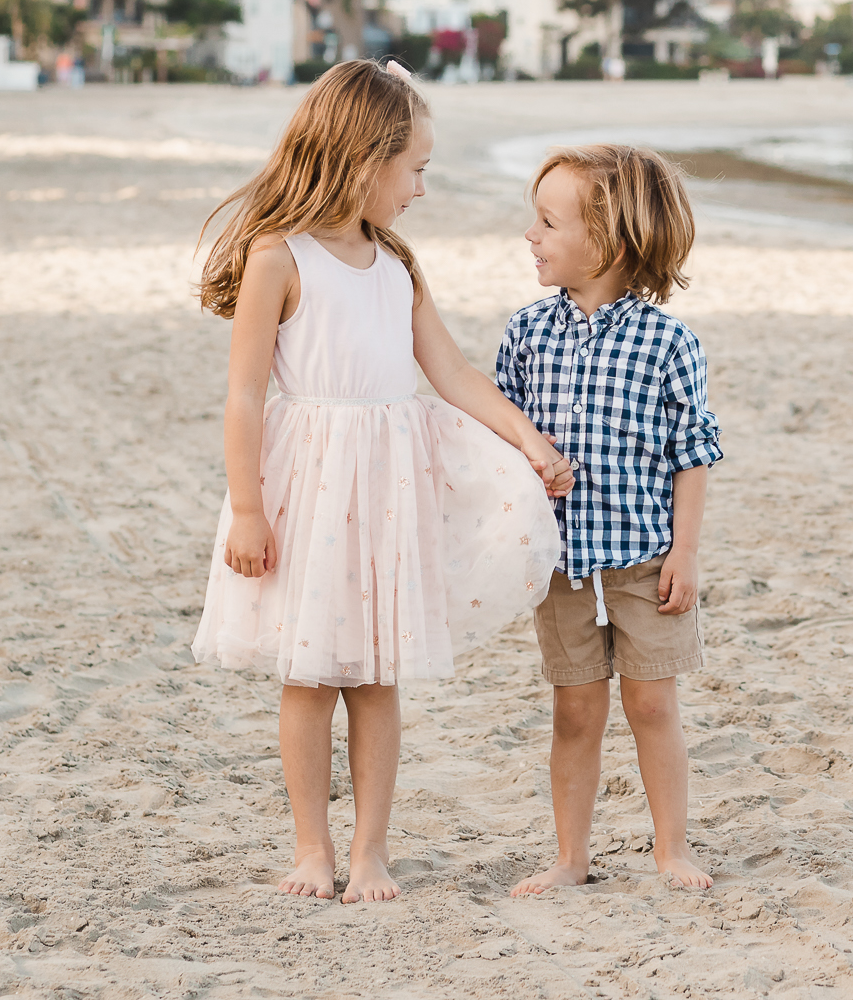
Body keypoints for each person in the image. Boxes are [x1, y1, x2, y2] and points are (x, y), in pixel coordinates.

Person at [190, 59, 569, 903]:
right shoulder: (277, 258)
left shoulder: (396, 262)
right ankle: (311, 847)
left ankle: (370, 852)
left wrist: (527, 438)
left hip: (389, 487)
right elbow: (245, 392)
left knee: (375, 673)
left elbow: (454, 373)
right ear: (365, 160)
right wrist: (247, 508)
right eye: (417, 169)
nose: (422, 190)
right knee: (310, 672)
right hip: (311, 488)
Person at [500, 145, 723, 895]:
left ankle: (670, 849)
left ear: (611, 241)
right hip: (560, 560)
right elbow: (498, 433)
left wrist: (684, 553)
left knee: (652, 701)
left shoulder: (668, 341)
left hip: (643, 554)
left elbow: (693, 452)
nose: (530, 235)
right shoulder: (527, 332)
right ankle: (571, 857)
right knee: (575, 708)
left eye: (548, 222)